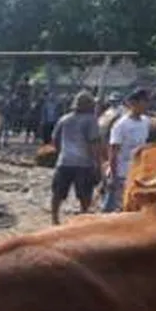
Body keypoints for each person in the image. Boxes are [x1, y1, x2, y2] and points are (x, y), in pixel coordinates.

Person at [50, 91, 104, 224]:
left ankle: (55, 218)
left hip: (64, 162)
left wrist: (61, 153)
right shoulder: (91, 120)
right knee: (84, 195)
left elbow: (54, 139)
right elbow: (94, 144)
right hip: (84, 164)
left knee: (58, 193)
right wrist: (98, 164)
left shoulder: (64, 119)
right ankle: (83, 218)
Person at [102, 88, 151, 213]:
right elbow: (113, 152)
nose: (146, 105)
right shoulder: (121, 125)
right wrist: (113, 176)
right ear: (133, 103)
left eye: (147, 101)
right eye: (143, 101)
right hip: (121, 173)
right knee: (111, 208)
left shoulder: (146, 122)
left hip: (138, 173)